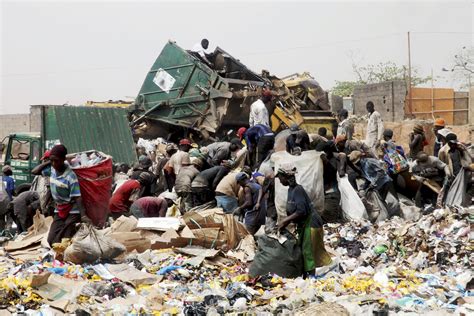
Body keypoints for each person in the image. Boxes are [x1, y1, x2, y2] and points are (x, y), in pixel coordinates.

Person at [275, 166, 333, 274]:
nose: (280, 180)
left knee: (308, 252)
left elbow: (301, 211)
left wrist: (284, 221)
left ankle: (311, 279)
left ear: (286, 177)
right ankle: (307, 275)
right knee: (303, 250)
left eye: (280, 178)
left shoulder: (298, 189)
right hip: (303, 225)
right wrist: (286, 222)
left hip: (311, 224)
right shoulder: (290, 190)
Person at [46, 145, 89, 246]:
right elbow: (35, 171)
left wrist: (83, 215)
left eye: (56, 160)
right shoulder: (52, 170)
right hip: (59, 209)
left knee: (61, 240)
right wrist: (50, 161)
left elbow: (77, 197)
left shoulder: (70, 176)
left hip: (72, 210)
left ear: (63, 159)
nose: (53, 163)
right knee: (50, 240)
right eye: (51, 161)